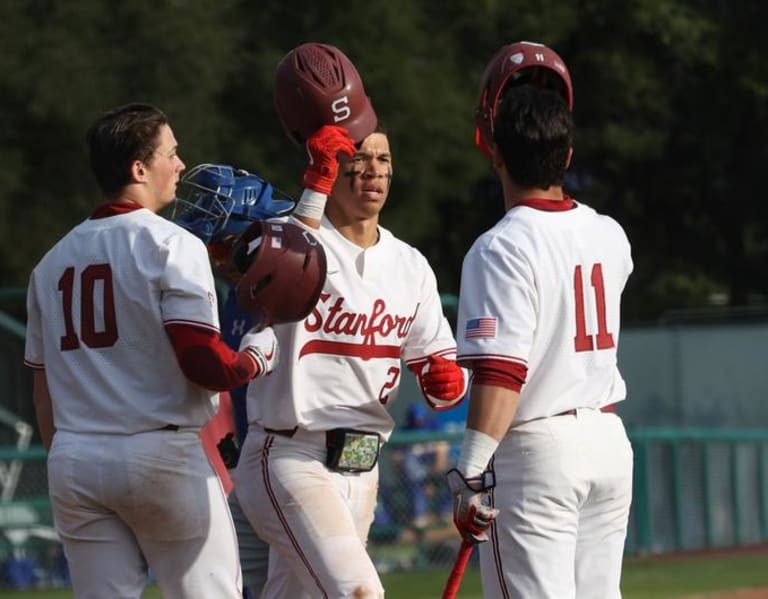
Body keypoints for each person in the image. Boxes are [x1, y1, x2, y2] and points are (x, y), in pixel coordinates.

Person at [232, 43, 468, 599]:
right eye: (355, 158)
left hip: (364, 464)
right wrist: (314, 184)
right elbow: (286, 254)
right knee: (361, 591)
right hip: (289, 454)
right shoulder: (299, 242)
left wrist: (445, 381)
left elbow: (439, 366)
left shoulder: (410, 265)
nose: (372, 170)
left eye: (382, 159)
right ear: (331, 165)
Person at [23, 103, 279, 599]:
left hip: (75, 457)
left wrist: (73, 459)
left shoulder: (49, 262)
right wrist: (257, 355)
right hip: (159, 451)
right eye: (171, 153)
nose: (181, 165)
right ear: (138, 169)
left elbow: (42, 391)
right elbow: (207, 366)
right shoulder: (172, 245)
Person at [446, 41, 634, 599]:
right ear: (567, 156)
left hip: (538, 450)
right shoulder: (610, 233)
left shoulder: (499, 247)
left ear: (495, 152)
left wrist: (471, 474)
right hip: (606, 438)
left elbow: (503, 375)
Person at [174, 162, 296, 599]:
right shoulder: (235, 294)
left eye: (222, 246)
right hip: (251, 467)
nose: (215, 259)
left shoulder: (297, 287)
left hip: (298, 466)